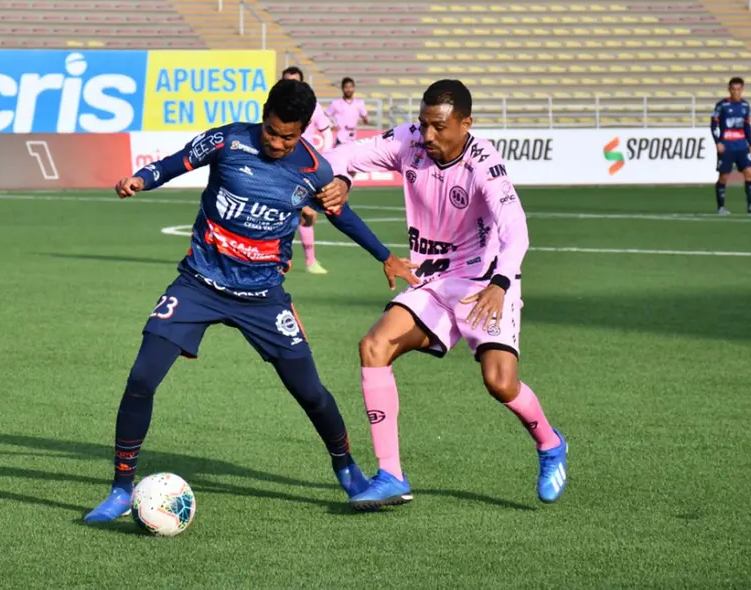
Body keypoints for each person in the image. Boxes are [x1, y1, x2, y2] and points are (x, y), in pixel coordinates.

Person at [84, 79, 418, 521]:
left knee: (311, 392)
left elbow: (343, 216)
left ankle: (348, 471)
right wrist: (141, 180)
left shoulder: (314, 170)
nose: (277, 143)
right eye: (272, 132)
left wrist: (385, 256)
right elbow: (175, 162)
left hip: (264, 298)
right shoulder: (228, 140)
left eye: (288, 137)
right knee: (142, 378)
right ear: (264, 116)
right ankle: (121, 489)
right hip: (200, 284)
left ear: (304, 130)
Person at [319, 79, 568, 510]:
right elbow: (342, 154)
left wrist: (501, 284)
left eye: (439, 126)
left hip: (483, 283)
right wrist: (341, 178)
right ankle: (391, 475)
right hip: (433, 280)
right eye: (423, 124)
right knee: (374, 346)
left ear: (465, 123)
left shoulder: (483, 162)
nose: (428, 135)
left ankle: (550, 444)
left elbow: (516, 230)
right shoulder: (409, 140)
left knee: (500, 383)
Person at [281, 66, 333, 274]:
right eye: (287, 82)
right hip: (283, 164)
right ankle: (281, 258)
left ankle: (308, 261)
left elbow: (326, 132)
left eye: (295, 81)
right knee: (300, 211)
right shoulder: (278, 106)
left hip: (307, 166)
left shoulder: (314, 106)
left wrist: (324, 157)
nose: (291, 86)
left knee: (308, 216)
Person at [711, 76, 751, 215]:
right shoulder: (722, 105)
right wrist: (718, 142)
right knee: (724, 176)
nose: (736, 92)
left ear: (742, 89)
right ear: (729, 90)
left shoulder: (745, 106)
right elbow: (713, 124)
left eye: (738, 89)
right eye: (733, 89)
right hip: (726, 146)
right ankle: (721, 207)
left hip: (742, 146)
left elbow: (747, 126)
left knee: (749, 173)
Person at [325, 77, 369, 147]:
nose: (348, 90)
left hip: (353, 138)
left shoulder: (359, 103)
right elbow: (324, 116)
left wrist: (363, 120)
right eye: (346, 87)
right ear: (342, 89)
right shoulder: (335, 103)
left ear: (354, 88)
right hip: (340, 138)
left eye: (350, 87)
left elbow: (366, 120)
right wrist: (331, 126)